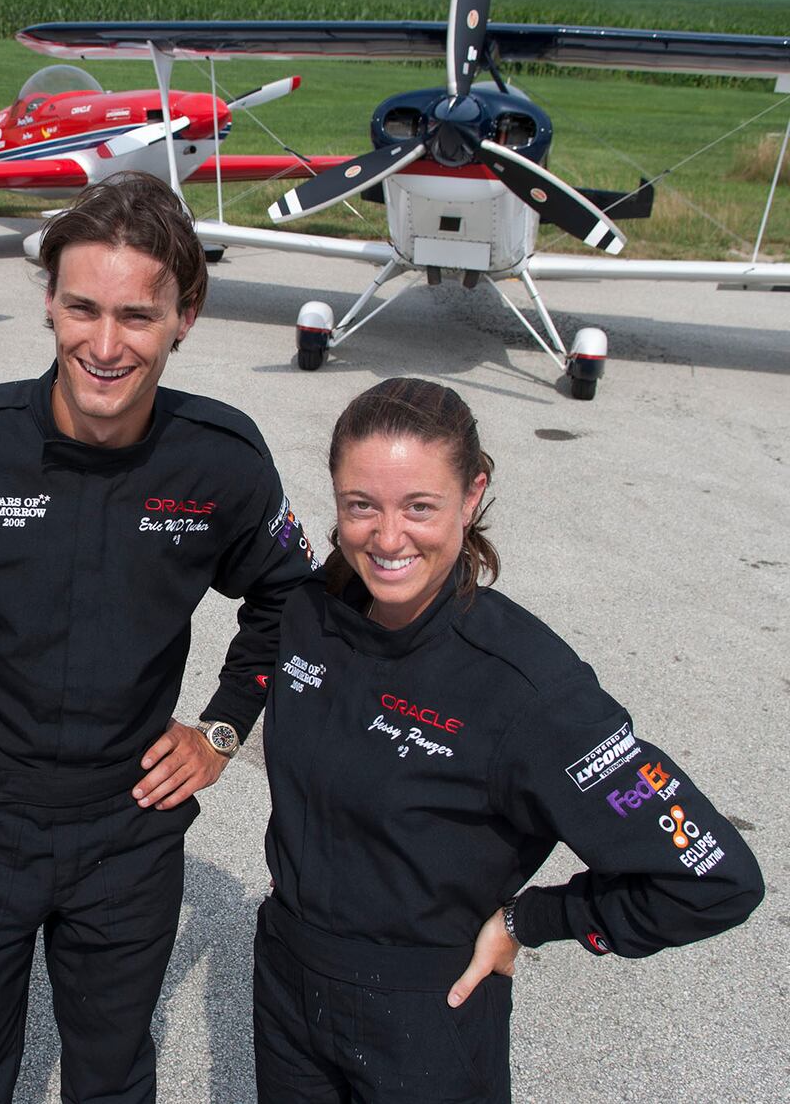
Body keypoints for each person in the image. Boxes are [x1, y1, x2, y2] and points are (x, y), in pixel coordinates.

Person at [0, 172, 322, 1103]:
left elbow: (295, 598)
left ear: (185, 315)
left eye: (137, 314)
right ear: (48, 301)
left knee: (113, 1076)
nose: (105, 343)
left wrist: (220, 728)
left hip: (129, 832)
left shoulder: (222, 460)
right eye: (81, 307)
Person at [252, 377, 764, 1103]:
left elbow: (713, 879)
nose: (387, 537)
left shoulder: (529, 687)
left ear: (471, 496)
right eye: (361, 506)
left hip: (426, 1014)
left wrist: (534, 918)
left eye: (419, 507)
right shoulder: (311, 616)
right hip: (286, 987)